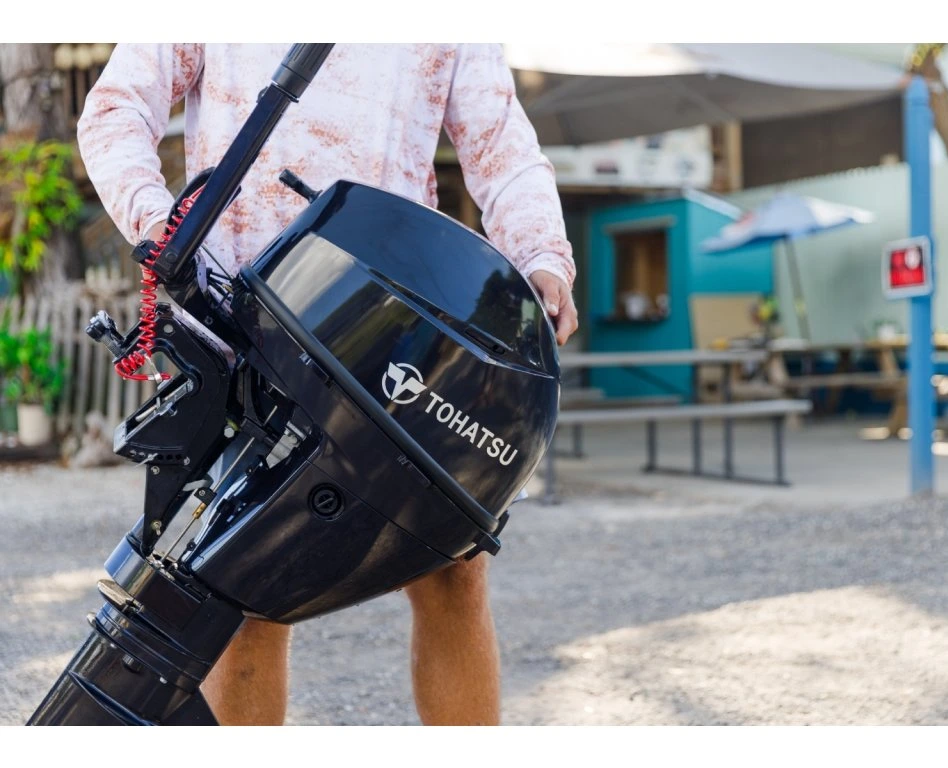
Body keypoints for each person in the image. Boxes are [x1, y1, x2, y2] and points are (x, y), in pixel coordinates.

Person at [77, 43, 578, 726]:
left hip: (390, 319)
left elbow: (502, 147)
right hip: (240, 310)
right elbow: (115, 108)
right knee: (240, 583)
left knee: (454, 570)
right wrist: (158, 221)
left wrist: (541, 253)